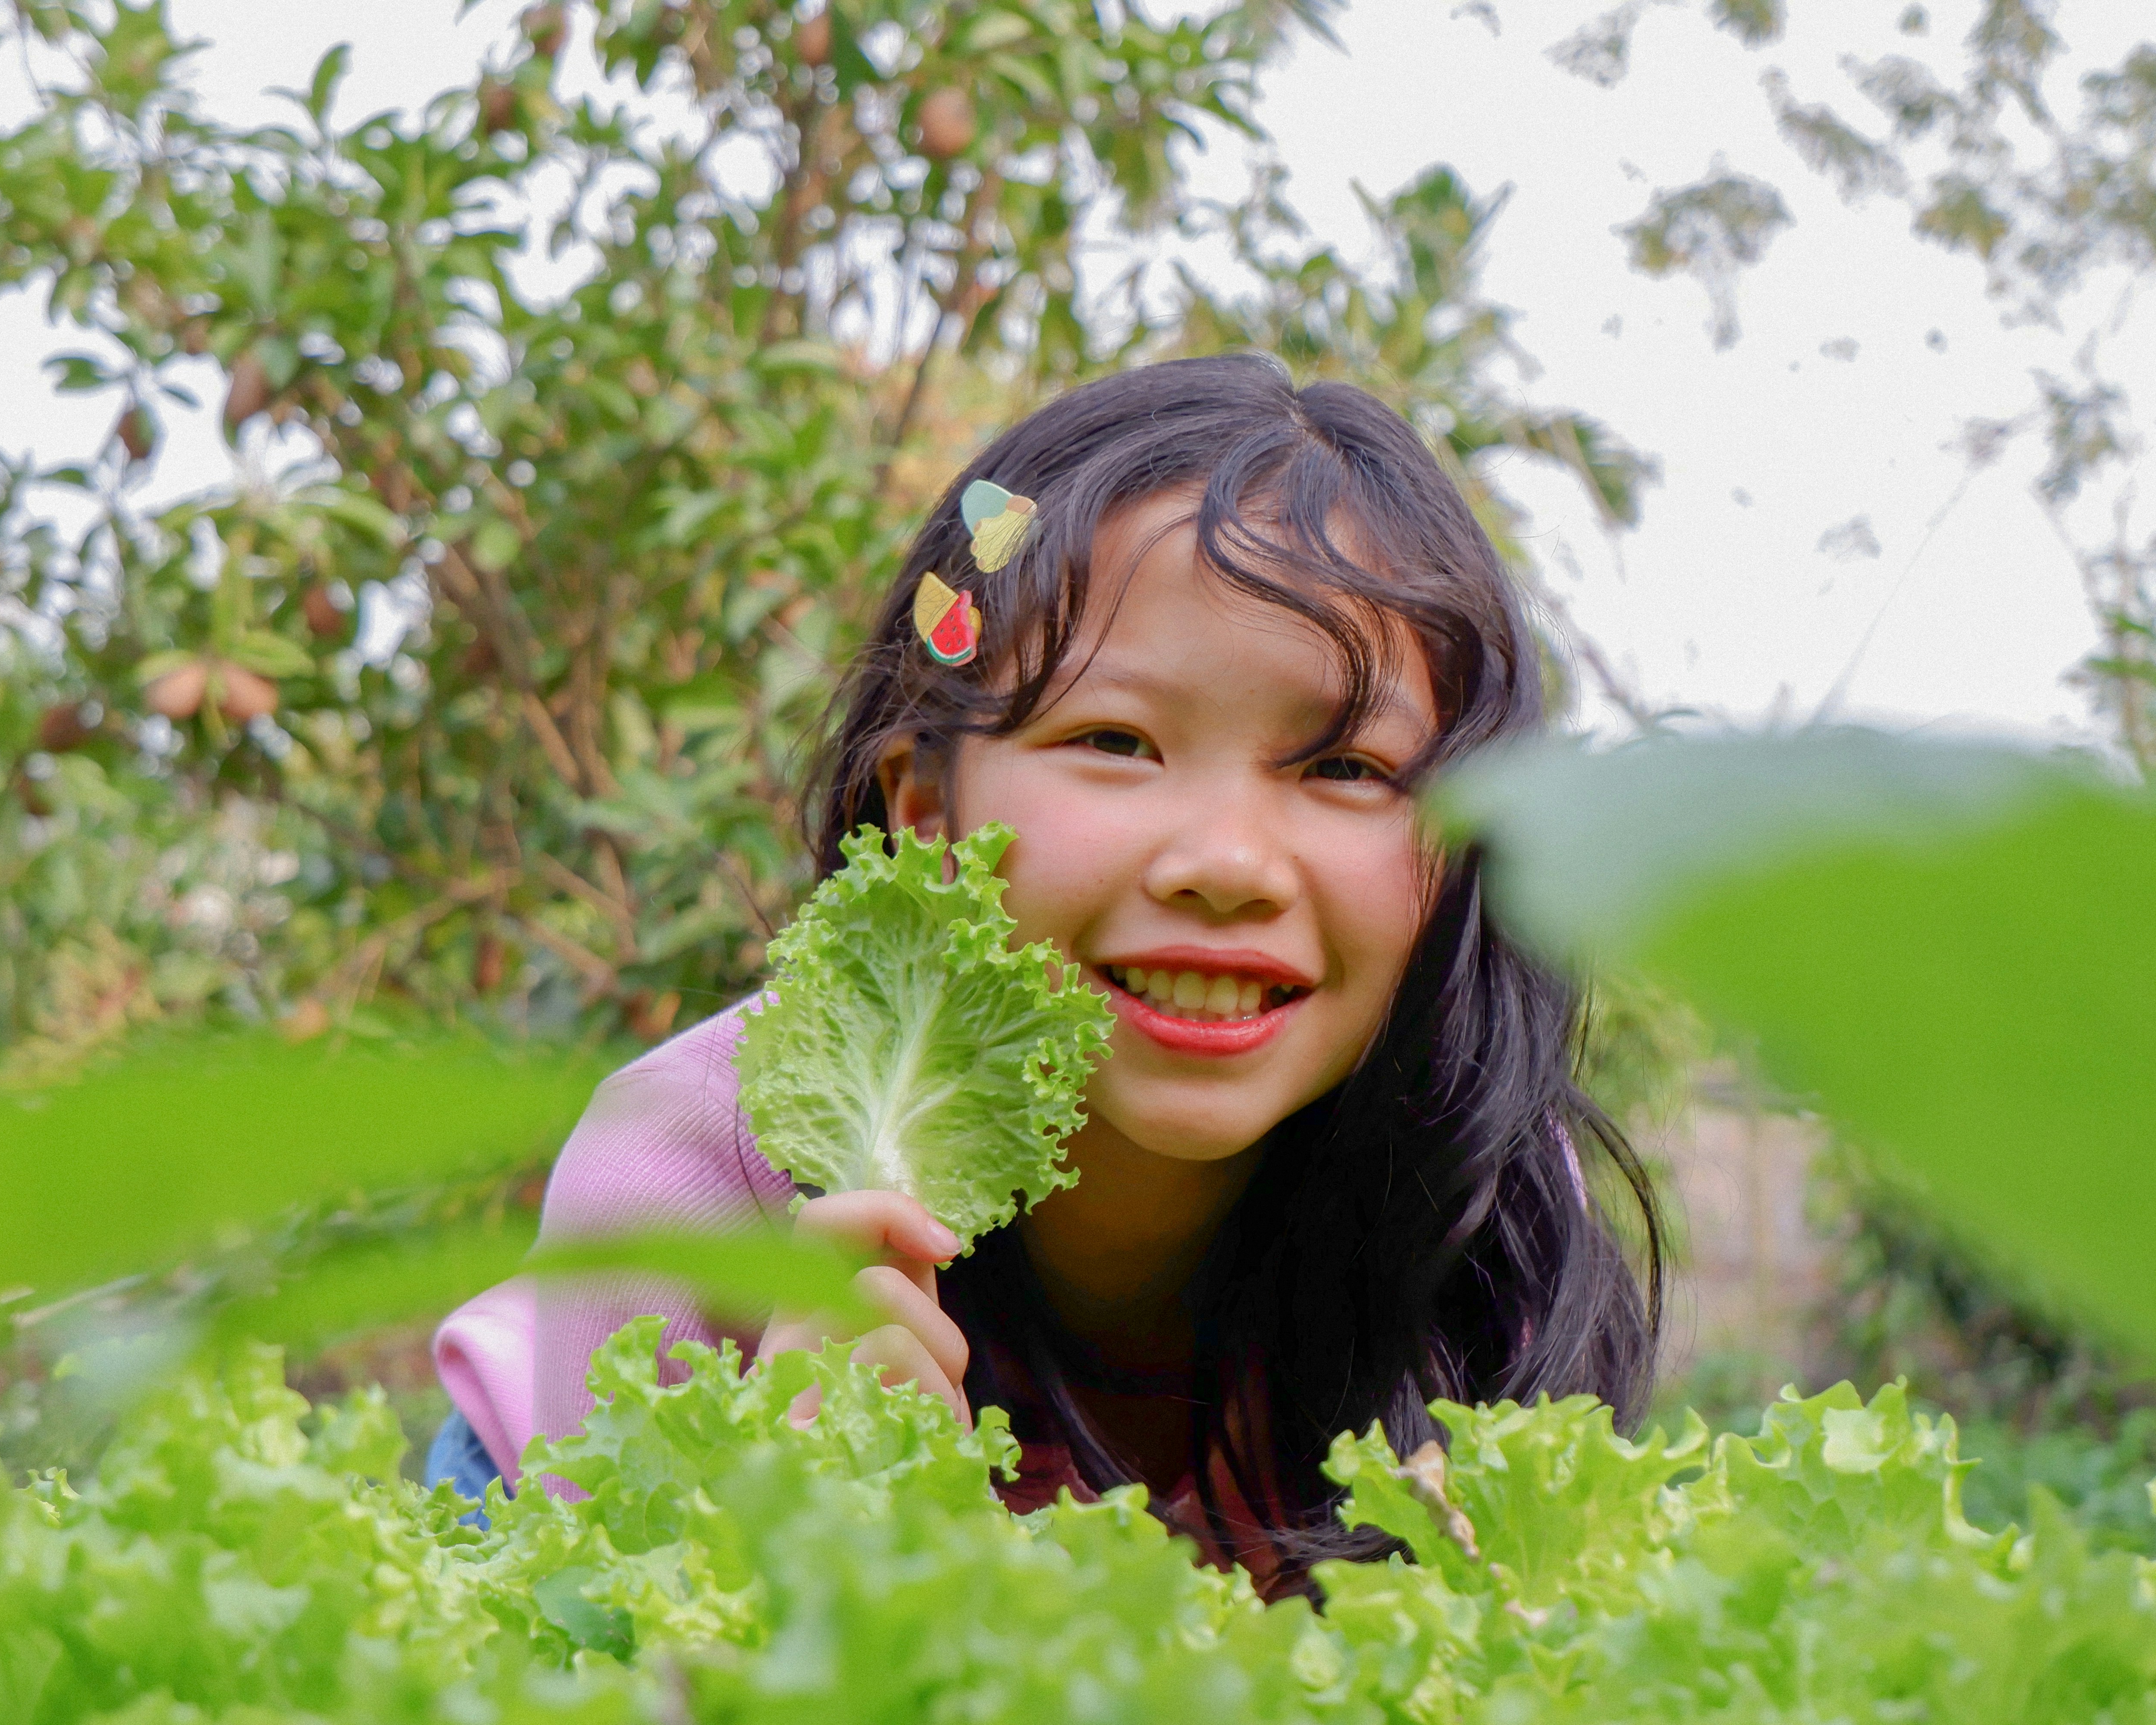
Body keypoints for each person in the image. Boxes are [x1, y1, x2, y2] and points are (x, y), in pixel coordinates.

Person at [427, 353, 1663, 1596]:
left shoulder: (1481, 1182)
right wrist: (777, 1541)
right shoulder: (697, 1164)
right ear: (924, 811)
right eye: (1115, 742)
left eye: (1345, 766)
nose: (1227, 864)